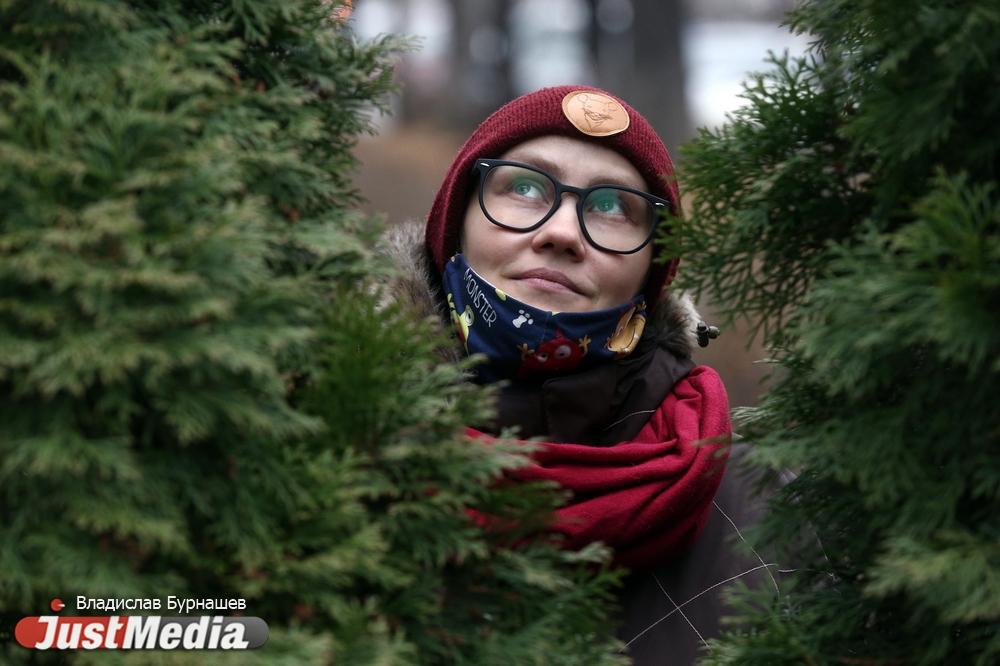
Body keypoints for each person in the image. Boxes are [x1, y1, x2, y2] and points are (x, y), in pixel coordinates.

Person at [382, 85, 777, 664]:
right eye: (522, 186)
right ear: (455, 223)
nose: (562, 232)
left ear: (653, 271)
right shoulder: (331, 445)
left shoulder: (766, 509)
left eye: (613, 206)